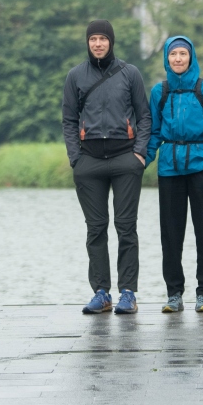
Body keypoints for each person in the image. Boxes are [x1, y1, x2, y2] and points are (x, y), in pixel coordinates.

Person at [62, 20, 151, 315]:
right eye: (93, 39)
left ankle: (128, 293)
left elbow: (144, 117)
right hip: (89, 162)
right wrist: (75, 159)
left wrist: (140, 154)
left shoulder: (130, 74)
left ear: (111, 42)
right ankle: (101, 292)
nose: (98, 43)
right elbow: (69, 120)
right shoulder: (75, 76)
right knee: (95, 229)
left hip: (125, 159)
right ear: (87, 43)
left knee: (126, 227)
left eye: (103, 38)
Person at [146, 36, 203, 314]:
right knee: (170, 235)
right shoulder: (160, 91)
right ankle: (174, 293)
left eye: (183, 53)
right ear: (167, 59)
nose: (178, 59)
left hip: (202, 169)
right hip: (169, 169)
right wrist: (142, 160)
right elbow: (154, 132)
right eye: (173, 54)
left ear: (191, 57)